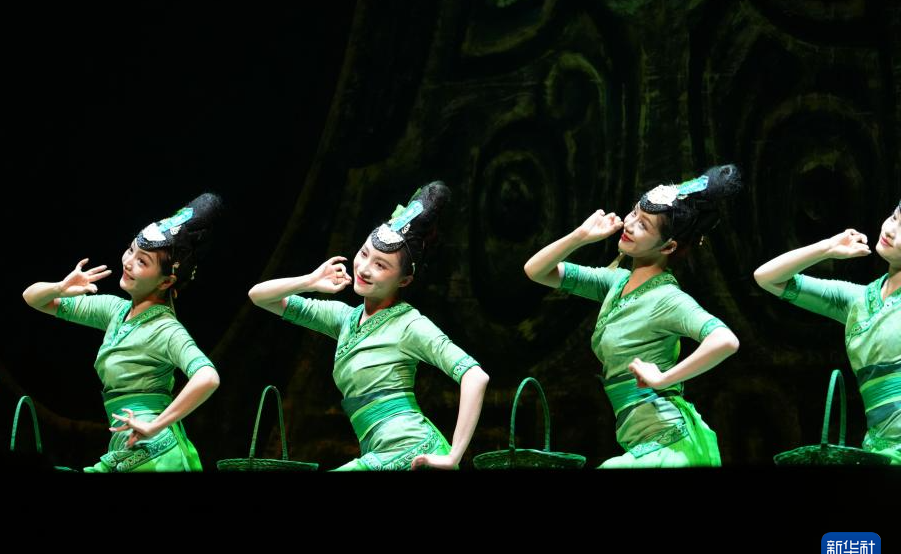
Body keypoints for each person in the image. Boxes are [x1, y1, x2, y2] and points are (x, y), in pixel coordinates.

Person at [249, 181, 489, 470]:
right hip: (378, 454)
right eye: (364, 254)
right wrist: (310, 281)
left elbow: (475, 376)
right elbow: (259, 296)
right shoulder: (343, 319)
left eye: (381, 265)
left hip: (411, 451)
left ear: (404, 280)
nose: (364, 269)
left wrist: (453, 456)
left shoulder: (409, 324)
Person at [524, 165, 742, 467]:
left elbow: (725, 340)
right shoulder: (615, 283)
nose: (629, 224)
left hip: (671, 443)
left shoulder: (666, 298)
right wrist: (580, 236)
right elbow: (536, 271)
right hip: (642, 443)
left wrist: (664, 379)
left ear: (668, 246)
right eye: (634, 212)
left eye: (644, 225)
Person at [22, 193, 221, 471]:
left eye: (143, 261)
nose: (128, 262)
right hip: (129, 443)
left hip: (154, 451)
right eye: (131, 251)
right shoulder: (114, 310)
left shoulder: (165, 328)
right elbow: (33, 299)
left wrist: (156, 424)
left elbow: (208, 377)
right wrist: (60, 288)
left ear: (166, 281)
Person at [754, 199, 901, 463]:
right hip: (878, 449)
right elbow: (767, 277)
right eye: (894, 217)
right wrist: (827, 248)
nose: (891, 230)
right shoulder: (858, 301)